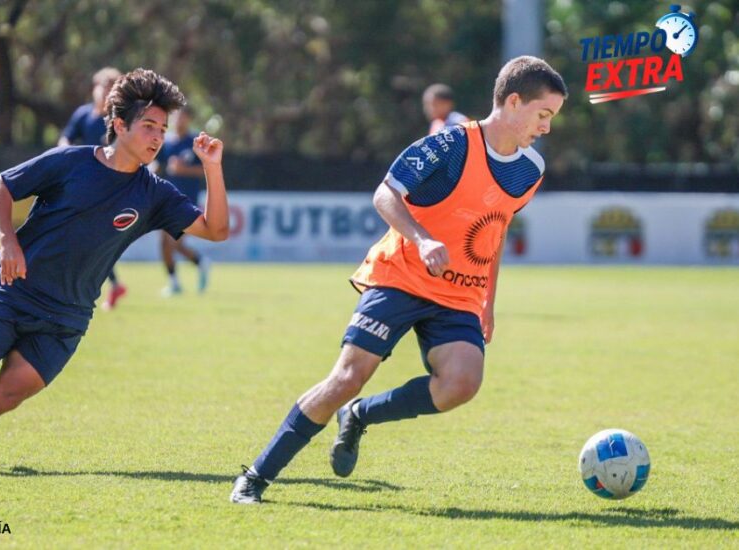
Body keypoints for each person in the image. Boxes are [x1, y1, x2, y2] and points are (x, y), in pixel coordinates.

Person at [231, 56, 567, 504]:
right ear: (512, 102)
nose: (546, 128)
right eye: (543, 115)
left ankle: (359, 416)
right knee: (348, 377)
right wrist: (423, 239)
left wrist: (488, 300)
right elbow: (385, 193)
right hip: (402, 275)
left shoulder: (531, 170)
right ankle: (256, 477)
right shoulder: (450, 145)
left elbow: (495, 228)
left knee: (461, 384)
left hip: (460, 292)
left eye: (552, 119)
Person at [0, 68, 229, 470]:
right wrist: (8, 242)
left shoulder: (154, 194)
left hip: (66, 318)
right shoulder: (71, 163)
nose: (158, 137)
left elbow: (216, 230)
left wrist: (212, 166)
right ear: (119, 125)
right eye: (149, 125)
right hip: (16, 291)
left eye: (162, 128)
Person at [59, 67, 128, 309]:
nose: (106, 91)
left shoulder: (117, 120)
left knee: (90, 238)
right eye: (103, 85)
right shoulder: (83, 115)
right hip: (81, 184)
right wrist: (64, 151)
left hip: (106, 187)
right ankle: (111, 285)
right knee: (86, 239)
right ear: (95, 88)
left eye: (112, 86)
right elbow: (66, 137)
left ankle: (86, 288)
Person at [156, 106, 211, 294]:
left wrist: (183, 170)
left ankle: (192, 269)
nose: (179, 120)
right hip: (167, 198)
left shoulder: (194, 142)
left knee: (172, 242)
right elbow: (158, 163)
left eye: (182, 116)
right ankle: (182, 276)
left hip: (187, 200)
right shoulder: (167, 141)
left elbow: (206, 171)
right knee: (168, 243)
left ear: (188, 119)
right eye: (176, 116)